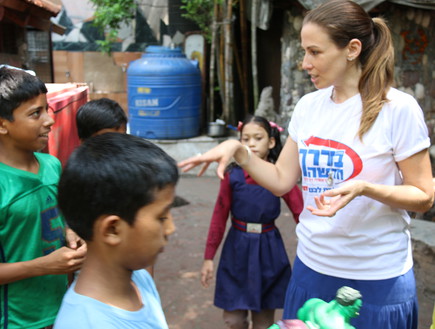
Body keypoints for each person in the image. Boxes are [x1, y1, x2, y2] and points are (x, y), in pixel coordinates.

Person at [178, 1, 434, 328]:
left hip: (375, 276)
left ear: (352, 49)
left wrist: (366, 189)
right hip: (312, 268)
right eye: (304, 51)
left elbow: (424, 196)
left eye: (315, 52)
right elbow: (283, 179)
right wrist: (238, 152)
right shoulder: (309, 107)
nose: (305, 63)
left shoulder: (397, 108)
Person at [53, 133, 179, 329]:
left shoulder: (137, 280)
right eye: (161, 217)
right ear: (112, 230)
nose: (171, 228)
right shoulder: (85, 323)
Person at [0, 66, 86, 328]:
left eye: (46, 109)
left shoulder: (52, 166)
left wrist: (70, 232)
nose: (49, 120)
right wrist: (44, 266)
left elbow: (56, 217)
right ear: (3, 124)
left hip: (60, 309)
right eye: (35, 113)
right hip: (15, 320)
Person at [201, 116, 303, 329]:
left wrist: (314, 246)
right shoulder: (233, 176)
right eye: (245, 139)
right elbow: (219, 216)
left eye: (258, 138)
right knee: (233, 320)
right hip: (237, 249)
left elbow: (300, 212)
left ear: (271, 142)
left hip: (269, 250)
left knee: (264, 322)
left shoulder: (280, 175)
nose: (251, 144)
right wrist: (209, 257)